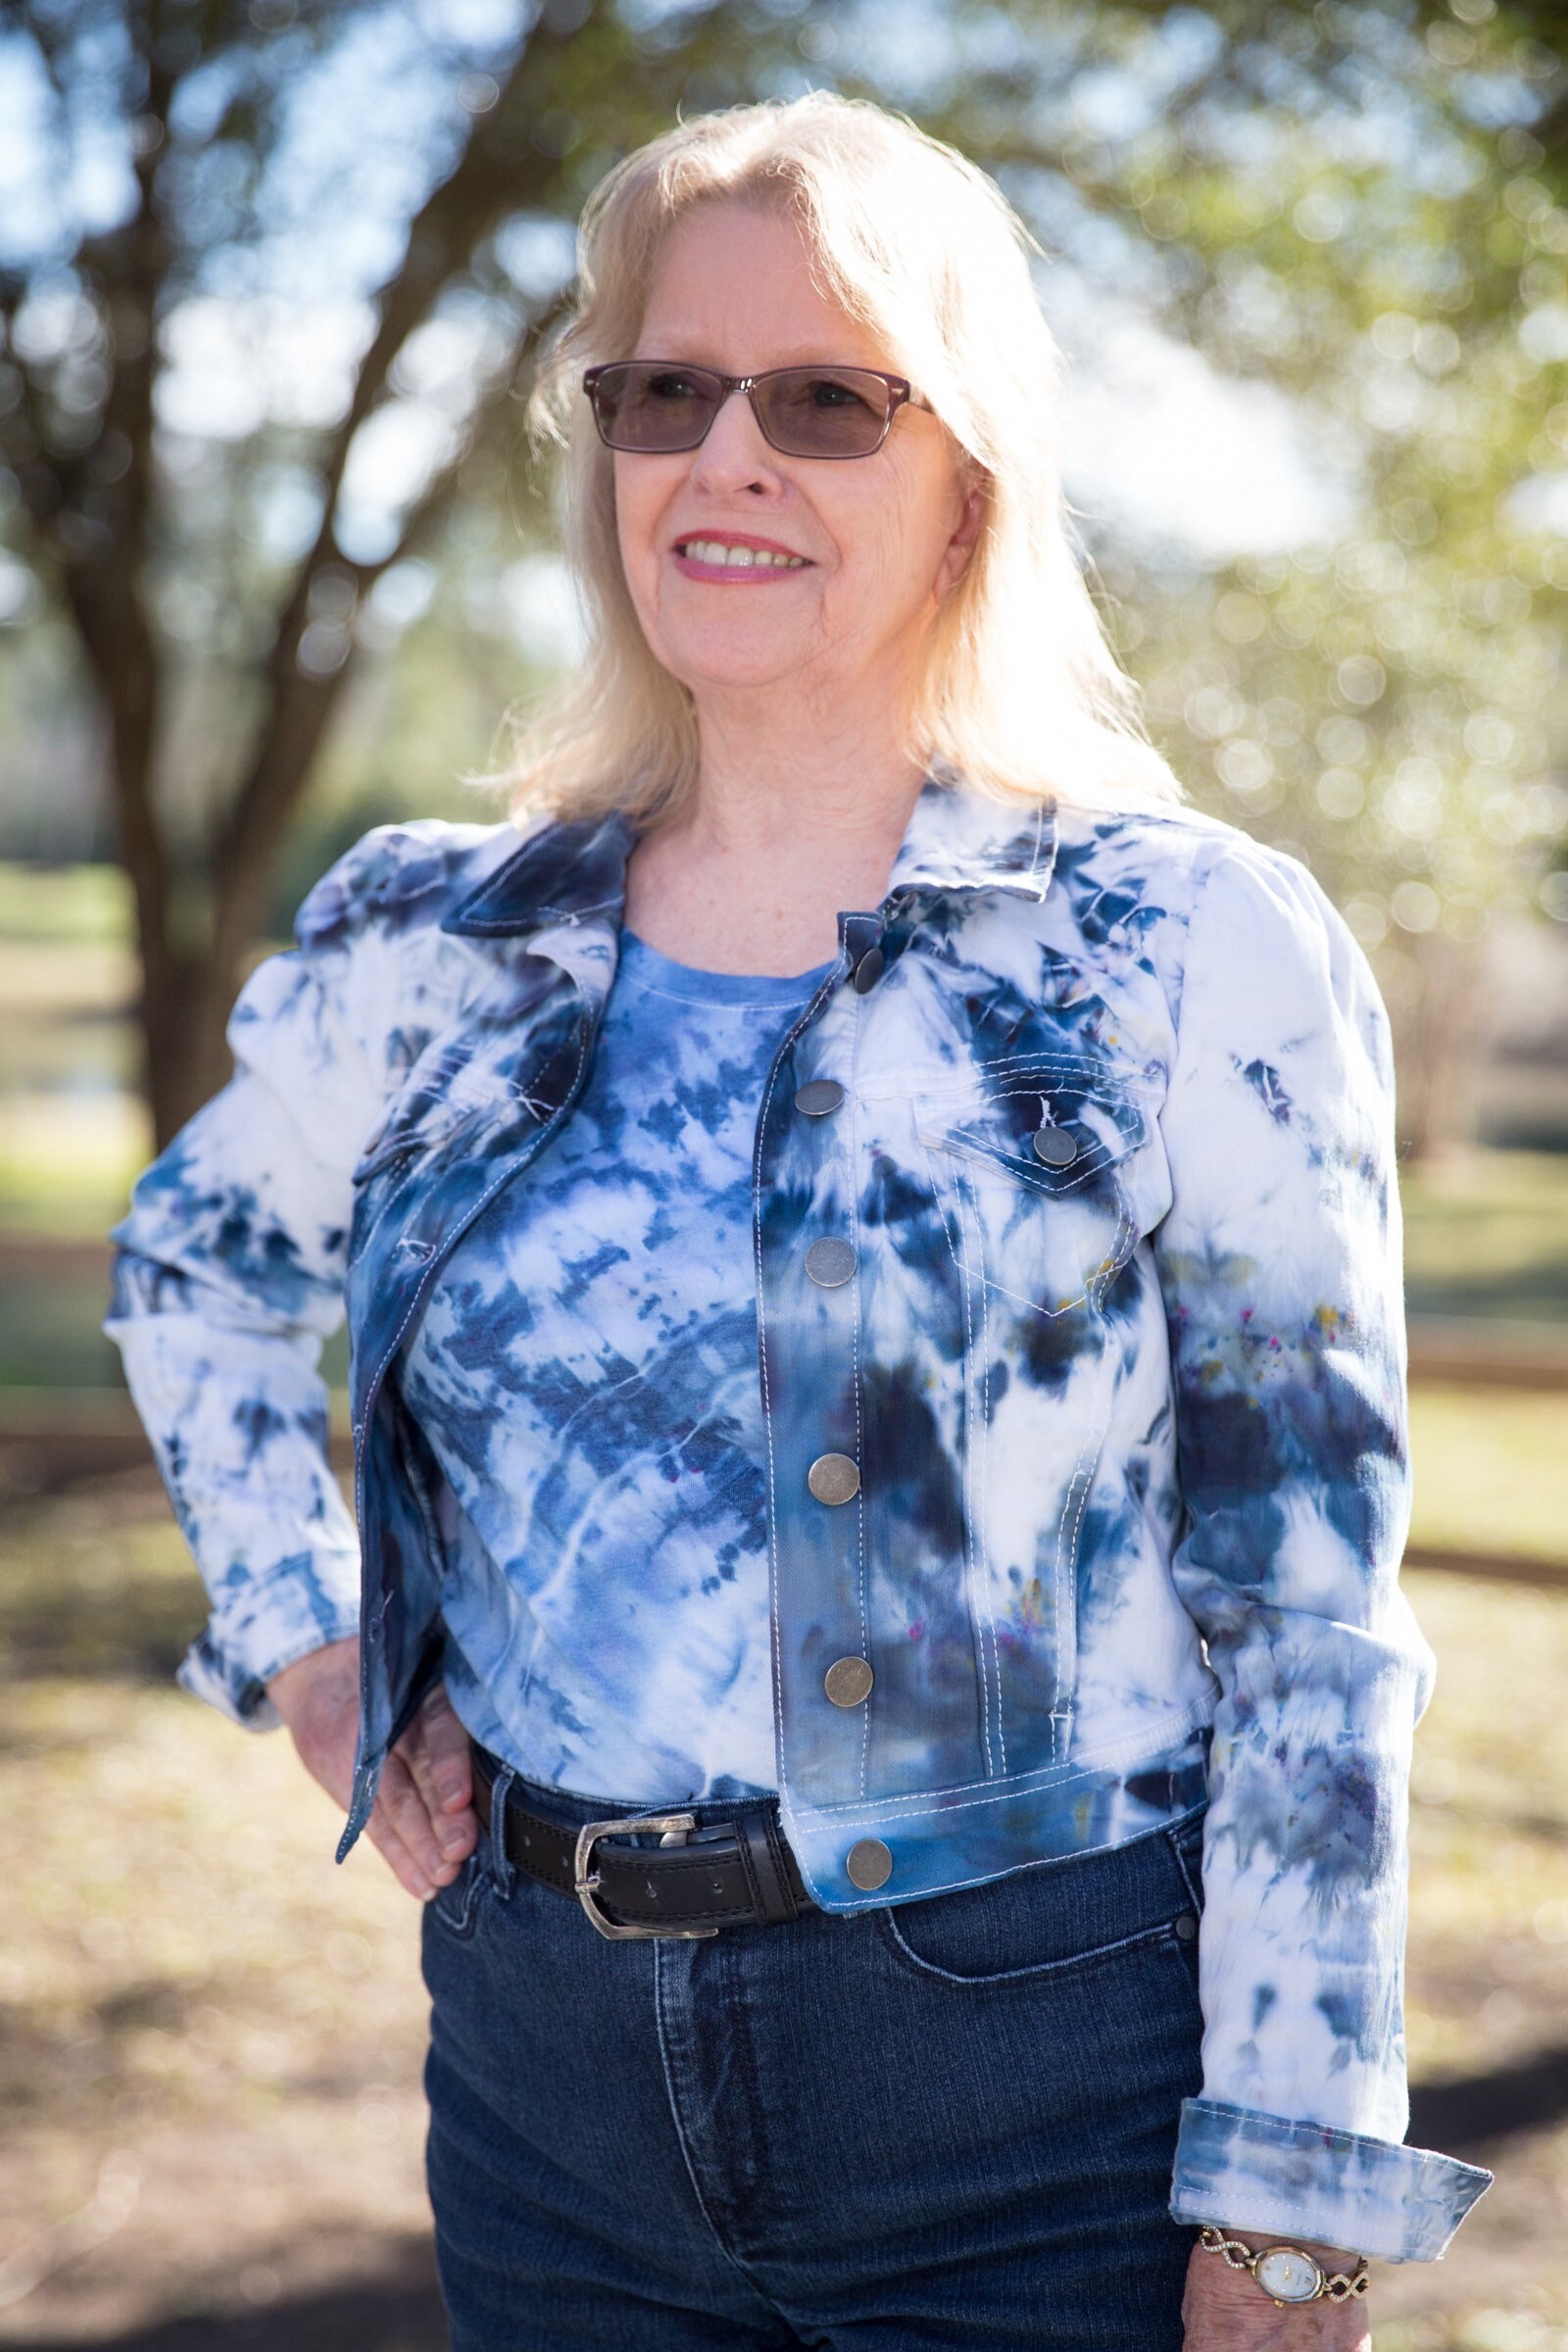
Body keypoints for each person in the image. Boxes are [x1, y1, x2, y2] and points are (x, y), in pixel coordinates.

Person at [107, 92, 1491, 2352]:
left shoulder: (1171, 946)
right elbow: (192, 1273)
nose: (723, 457)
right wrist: (304, 1633)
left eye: (825, 399)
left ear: (968, 473)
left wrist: (1286, 2199)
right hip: (540, 2075)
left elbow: (1309, 1613)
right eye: (666, 392)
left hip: (1033, 2073)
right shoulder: (431, 938)